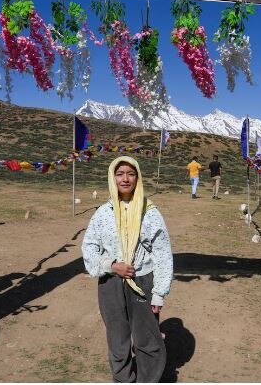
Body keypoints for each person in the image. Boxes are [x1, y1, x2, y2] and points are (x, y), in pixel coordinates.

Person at [82, 156, 173, 382]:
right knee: (117, 338)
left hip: (142, 281)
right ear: (113, 177)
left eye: (130, 174)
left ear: (137, 178)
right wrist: (111, 266)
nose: (125, 179)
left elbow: (162, 252)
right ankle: (123, 379)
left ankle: (148, 379)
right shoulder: (103, 213)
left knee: (147, 339)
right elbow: (89, 247)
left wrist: (159, 292)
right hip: (110, 283)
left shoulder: (149, 212)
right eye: (120, 173)